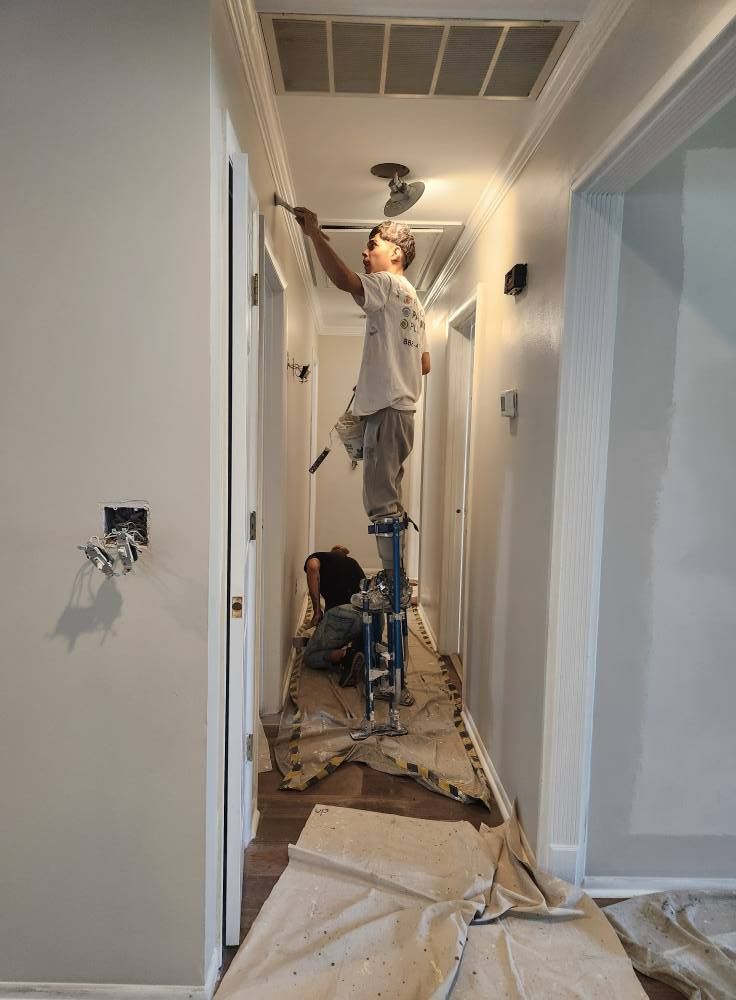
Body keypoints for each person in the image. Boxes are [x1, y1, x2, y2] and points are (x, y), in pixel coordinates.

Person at [294, 208, 430, 604]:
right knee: (389, 495)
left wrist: (315, 235)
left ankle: (393, 584)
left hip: (389, 408)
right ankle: (396, 578)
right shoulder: (415, 302)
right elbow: (425, 363)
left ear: (396, 255)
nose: (365, 254)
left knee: (379, 502)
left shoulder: (387, 283)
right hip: (400, 410)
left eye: (373, 246)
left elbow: (343, 280)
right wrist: (383, 370)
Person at [303, 544, 365, 627]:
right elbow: (365, 587)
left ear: (332, 552)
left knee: (317, 638)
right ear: (345, 555)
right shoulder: (353, 562)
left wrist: (317, 611)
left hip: (335, 614)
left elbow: (312, 565)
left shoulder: (323, 556)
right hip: (358, 615)